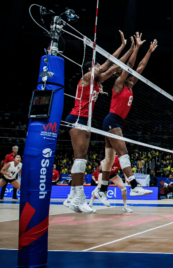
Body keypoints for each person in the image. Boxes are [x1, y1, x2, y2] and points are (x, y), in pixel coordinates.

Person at [63, 30, 131, 213]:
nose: (100, 67)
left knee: (80, 160)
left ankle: (72, 197)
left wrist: (125, 47)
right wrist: (122, 47)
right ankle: (78, 198)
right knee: (80, 159)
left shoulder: (96, 82)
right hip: (77, 118)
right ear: (89, 69)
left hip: (85, 120)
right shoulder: (86, 78)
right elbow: (108, 63)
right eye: (97, 66)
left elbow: (113, 66)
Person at [100, 34, 157, 206]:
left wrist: (149, 51)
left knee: (109, 160)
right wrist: (136, 47)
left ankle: (102, 190)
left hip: (113, 122)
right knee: (122, 151)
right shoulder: (118, 83)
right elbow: (131, 66)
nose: (133, 75)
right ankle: (133, 185)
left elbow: (139, 66)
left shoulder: (131, 84)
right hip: (112, 120)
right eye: (129, 74)